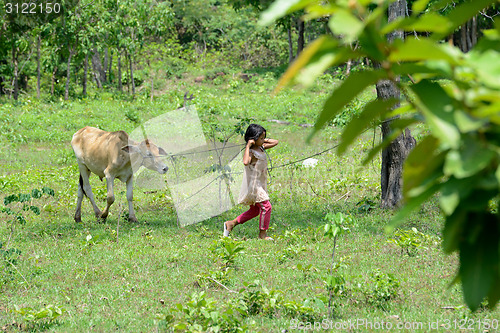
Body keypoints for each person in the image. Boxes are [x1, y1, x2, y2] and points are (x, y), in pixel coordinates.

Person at [224, 124, 278, 240]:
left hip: (261, 183)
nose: (264, 140)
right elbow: (245, 162)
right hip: (254, 185)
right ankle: (262, 235)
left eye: (264, 137)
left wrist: (262, 139)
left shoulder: (261, 147)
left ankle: (231, 223)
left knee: (254, 211)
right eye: (261, 138)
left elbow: (275, 142)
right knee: (266, 207)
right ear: (253, 139)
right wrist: (248, 146)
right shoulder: (252, 152)